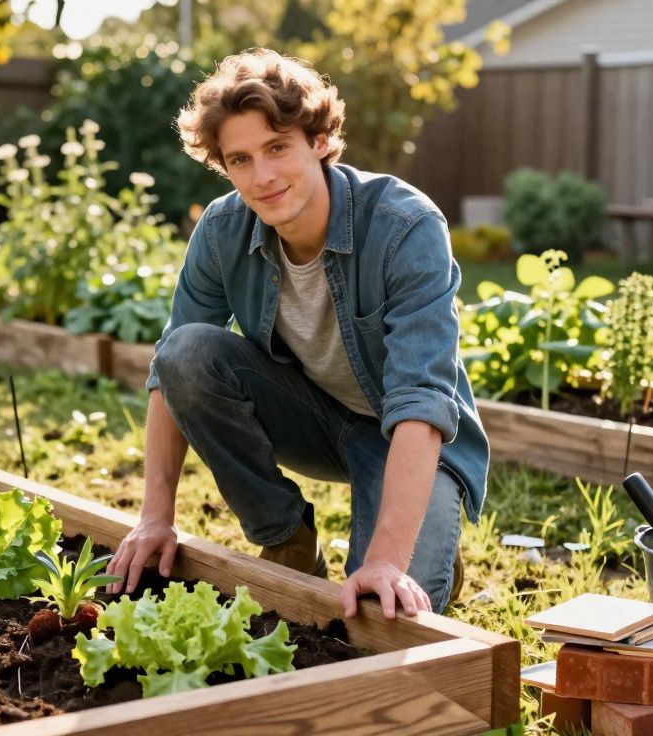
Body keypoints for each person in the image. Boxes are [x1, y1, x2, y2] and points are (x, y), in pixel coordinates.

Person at [105, 48, 489, 620]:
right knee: (186, 353)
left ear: (318, 141)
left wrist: (385, 558)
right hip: (311, 416)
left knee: (379, 612)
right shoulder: (222, 231)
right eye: (240, 159)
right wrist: (155, 517)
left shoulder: (406, 226)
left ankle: (422, 541)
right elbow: (171, 370)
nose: (261, 177)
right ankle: (286, 535)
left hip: (405, 436)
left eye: (277, 147)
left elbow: (421, 400)